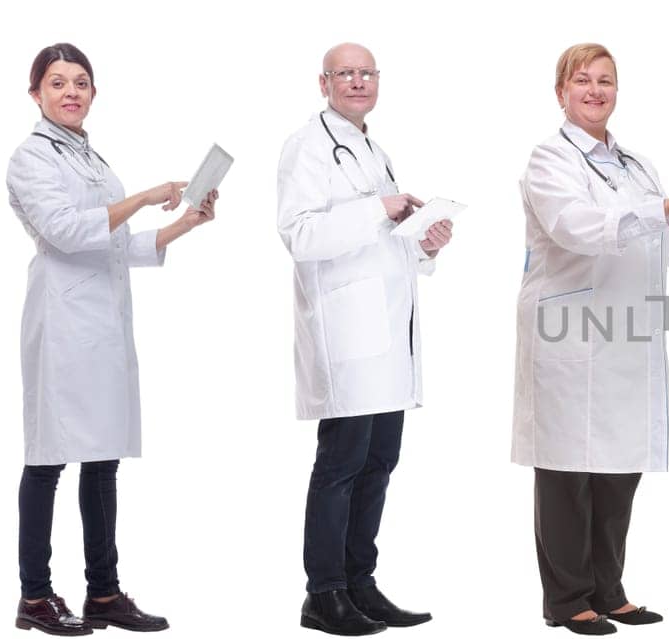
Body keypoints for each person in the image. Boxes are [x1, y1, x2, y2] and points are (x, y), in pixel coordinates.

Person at [512, 42, 669, 636]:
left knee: (619, 467)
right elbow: (576, 228)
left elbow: (666, 244)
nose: (596, 91)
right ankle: (567, 601)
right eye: (583, 81)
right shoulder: (549, 161)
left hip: (625, 334)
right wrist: (660, 208)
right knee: (569, 469)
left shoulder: (637, 166)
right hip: (569, 333)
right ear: (561, 91)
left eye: (606, 82)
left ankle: (608, 589)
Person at [8, 42, 217, 636]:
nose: (71, 92)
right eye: (57, 83)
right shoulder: (30, 159)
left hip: (103, 325)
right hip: (63, 324)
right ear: (36, 94)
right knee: (47, 459)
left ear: (93, 93)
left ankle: (102, 593)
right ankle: (34, 595)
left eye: (81, 82)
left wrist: (183, 223)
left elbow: (116, 244)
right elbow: (68, 232)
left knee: (102, 460)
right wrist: (147, 196)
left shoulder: (94, 161)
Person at [277, 42, 452, 636]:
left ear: (378, 81)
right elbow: (300, 234)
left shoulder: (374, 148)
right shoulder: (307, 146)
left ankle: (360, 582)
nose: (357, 82)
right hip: (347, 333)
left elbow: (384, 240)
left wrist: (423, 240)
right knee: (343, 463)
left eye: (366, 73)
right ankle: (322, 594)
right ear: (322, 82)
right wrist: (381, 206)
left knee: (380, 460)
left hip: (388, 334)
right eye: (345, 73)